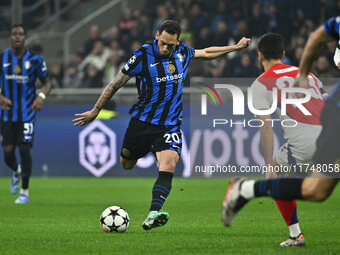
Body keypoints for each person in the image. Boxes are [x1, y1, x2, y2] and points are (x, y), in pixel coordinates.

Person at [73, 20, 250, 230]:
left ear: (178, 42)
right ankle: (146, 153)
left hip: (170, 124)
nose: (166, 48)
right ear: (157, 36)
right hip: (142, 123)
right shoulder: (142, 56)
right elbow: (115, 84)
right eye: (164, 43)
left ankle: (153, 213)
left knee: (169, 164)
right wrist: (96, 110)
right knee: (126, 164)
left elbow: (206, 53)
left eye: (171, 45)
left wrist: (236, 48)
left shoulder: (182, 52)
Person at [222, 17, 340, 238]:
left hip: (307, 144)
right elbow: (327, 105)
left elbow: (265, 126)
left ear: (259, 56)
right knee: (317, 190)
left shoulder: (261, 84)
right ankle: (294, 235)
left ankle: (293, 232)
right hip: (335, 135)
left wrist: (268, 165)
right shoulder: (310, 75)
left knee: (277, 173)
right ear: (284, 54)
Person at [0, 24, 52, 204]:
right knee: (7, 154)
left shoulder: (35, 60)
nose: (17, 37)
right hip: (7, 115)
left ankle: (24, 191)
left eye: (21, 34)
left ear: (25, 37)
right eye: (14, 34)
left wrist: (41, 97)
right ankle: (16, 171)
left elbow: (47, 83)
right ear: (10, 37)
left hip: (27, 113)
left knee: (24, 149)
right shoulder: (2, 58)